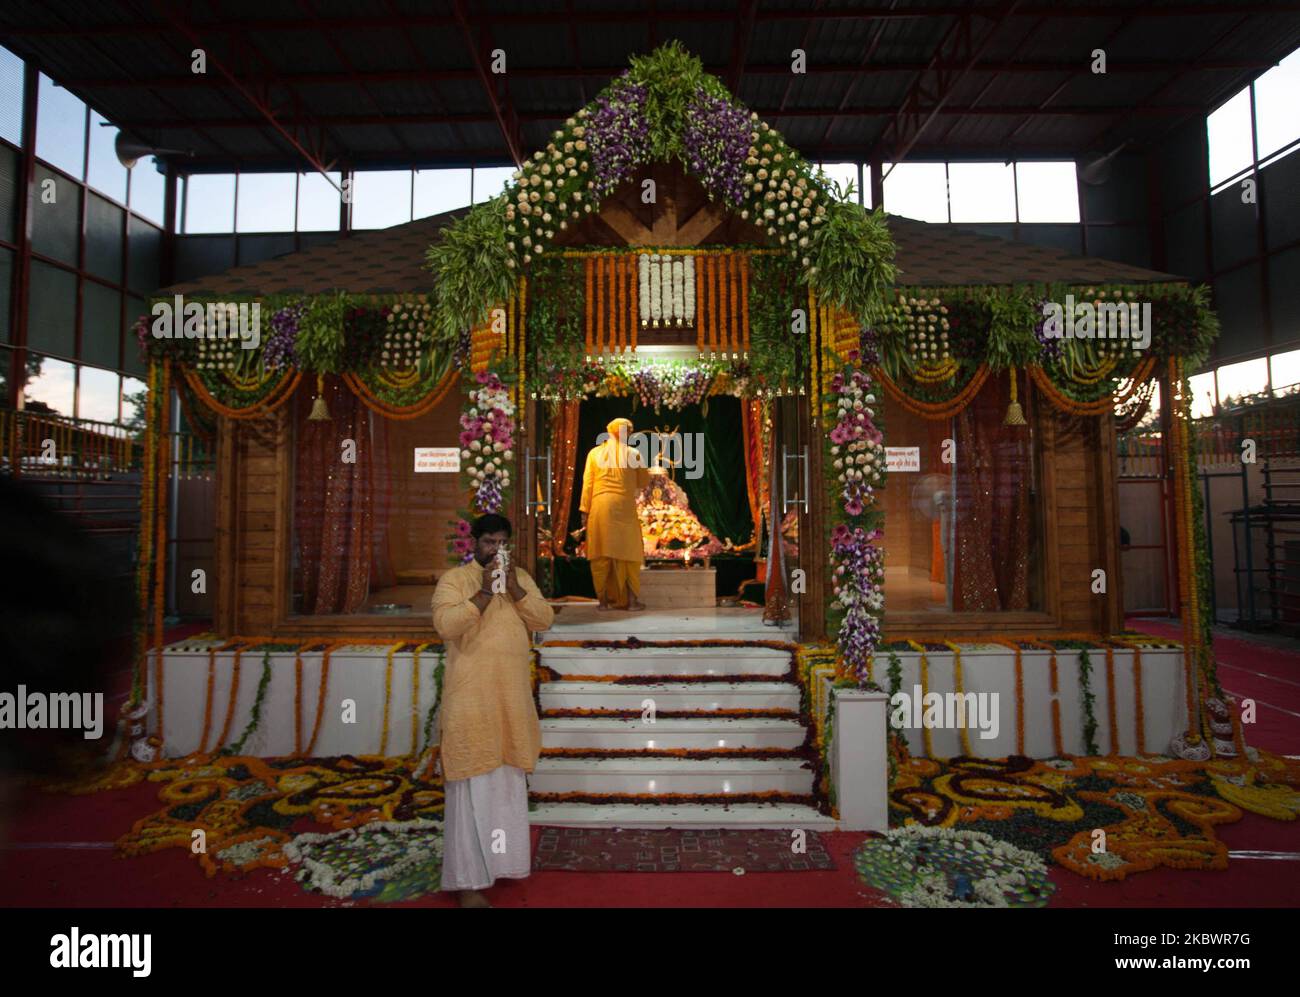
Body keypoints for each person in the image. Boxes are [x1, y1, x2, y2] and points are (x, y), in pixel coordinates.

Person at [431, 513, 553, 908]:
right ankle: (467, 883)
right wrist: (484, 593)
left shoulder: (520, 579)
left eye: (502, 543)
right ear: (474, 545)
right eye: (488, 543)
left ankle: (502, 866)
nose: (495, 551)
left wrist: (515, 589)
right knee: (470, 789)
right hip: (471, 703)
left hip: (510, 702)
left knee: (504, 785)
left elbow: (544, 619)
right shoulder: (455, 580)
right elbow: (446, 625)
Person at [579, 417, 650, 611]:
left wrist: (584, 510)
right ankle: (632, 602)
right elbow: (643, 481)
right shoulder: (633, 453)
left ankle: (603, 602)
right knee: (629, 554)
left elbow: (588, 484)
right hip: (624, 506)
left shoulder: (594, 453)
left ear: (610, 431)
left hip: (599, 507)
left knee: (601, 556)